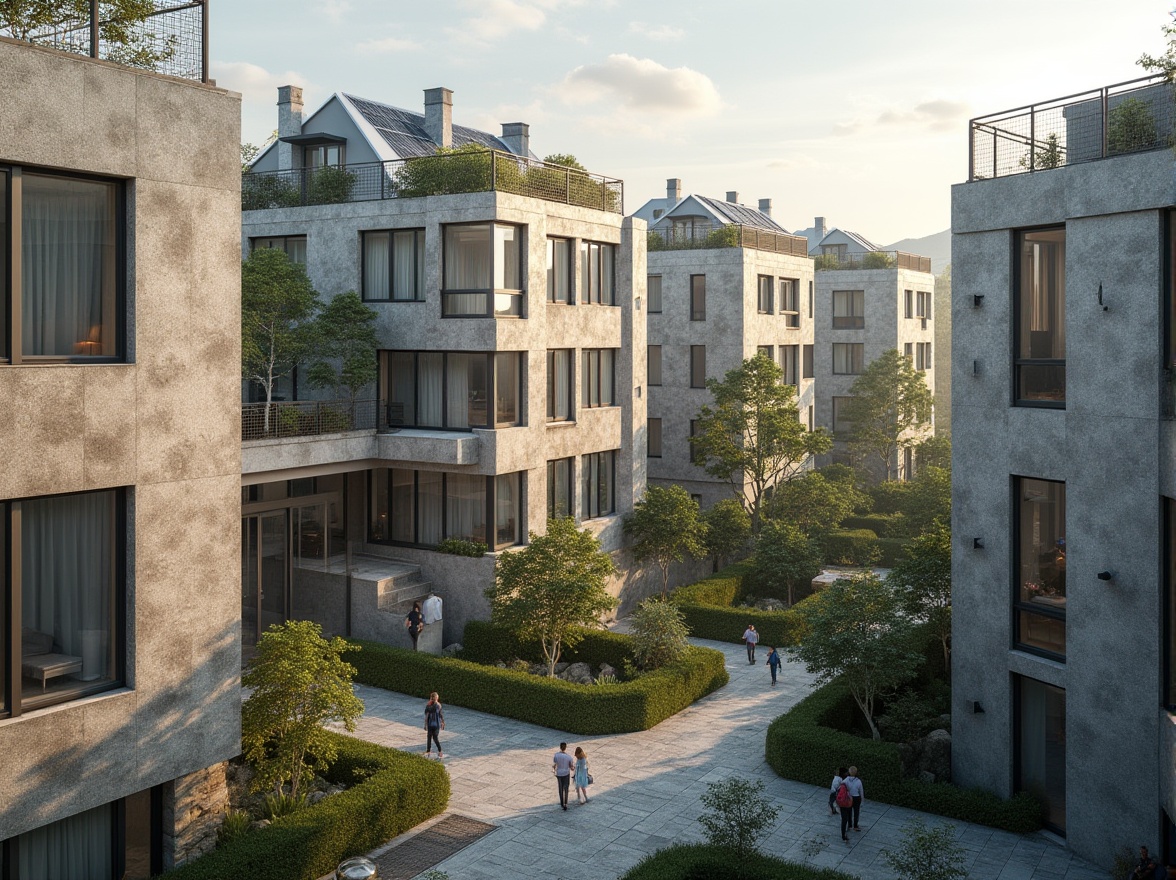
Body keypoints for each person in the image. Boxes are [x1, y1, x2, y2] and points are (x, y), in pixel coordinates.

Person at [553, 742, 575, 810]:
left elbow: (555, 764)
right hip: (566, 773)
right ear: (565, 748)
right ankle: (565, 803)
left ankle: (561, 802)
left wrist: (554, 769)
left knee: (560, 788)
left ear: (560, 747)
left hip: (559, 773)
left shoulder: (556, 755)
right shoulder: (569, 757)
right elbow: (571, 767)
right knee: (566, 788)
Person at [424, 691, 445, 759]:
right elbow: (426, 714)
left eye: (435, 697)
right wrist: (425, 724)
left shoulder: (438, 705)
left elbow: (440, 714)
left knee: (435, 737)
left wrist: (442, 722)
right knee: (429, 737)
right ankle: (428, 750)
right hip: (430, 724)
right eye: (433, 697)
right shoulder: (429, 705)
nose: (434, 699)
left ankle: (440, 750)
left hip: (436, 724)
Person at [834, 772, 853, 841]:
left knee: (844, 819)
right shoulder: (849, 783)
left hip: (842, 804)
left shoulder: (841, 785)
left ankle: (843, 835)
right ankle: (850, 825)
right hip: (848, 802)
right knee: (849, 813)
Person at [845, 766, 864, 831]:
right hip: (856, 798)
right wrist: (862, 799)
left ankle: (850, 825)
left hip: (849, 798)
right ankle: (855, 825)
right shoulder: (858, 781)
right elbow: (861, 791)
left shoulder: (846, 780)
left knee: (849, 812)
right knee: (856, 812)